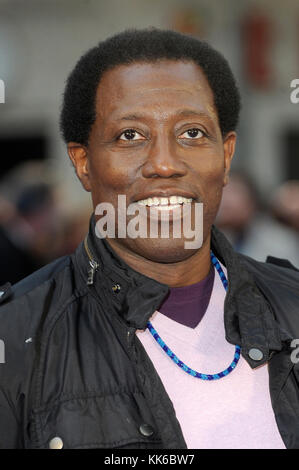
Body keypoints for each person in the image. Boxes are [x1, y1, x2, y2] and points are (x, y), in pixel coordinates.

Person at [0, 28, 299, 450]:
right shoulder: (15, 340)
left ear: (227, 156)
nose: (164, 164)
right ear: (83, 164)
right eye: (130, 135)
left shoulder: (293, 304)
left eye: (192, 133)